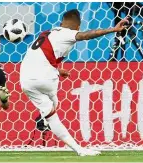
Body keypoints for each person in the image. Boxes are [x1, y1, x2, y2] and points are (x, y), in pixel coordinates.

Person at [19, 9, 129, 156]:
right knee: (53, 107)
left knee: (51, 111)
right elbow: (85, 36)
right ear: (78, 27)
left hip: (25, 80)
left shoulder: (47, 33)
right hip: (45, 80)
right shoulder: (68, 33)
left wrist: (57, 71)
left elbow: (38, 59)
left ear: (60, 23)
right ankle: (51, 124)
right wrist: (113, 29)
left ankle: (48, 122)